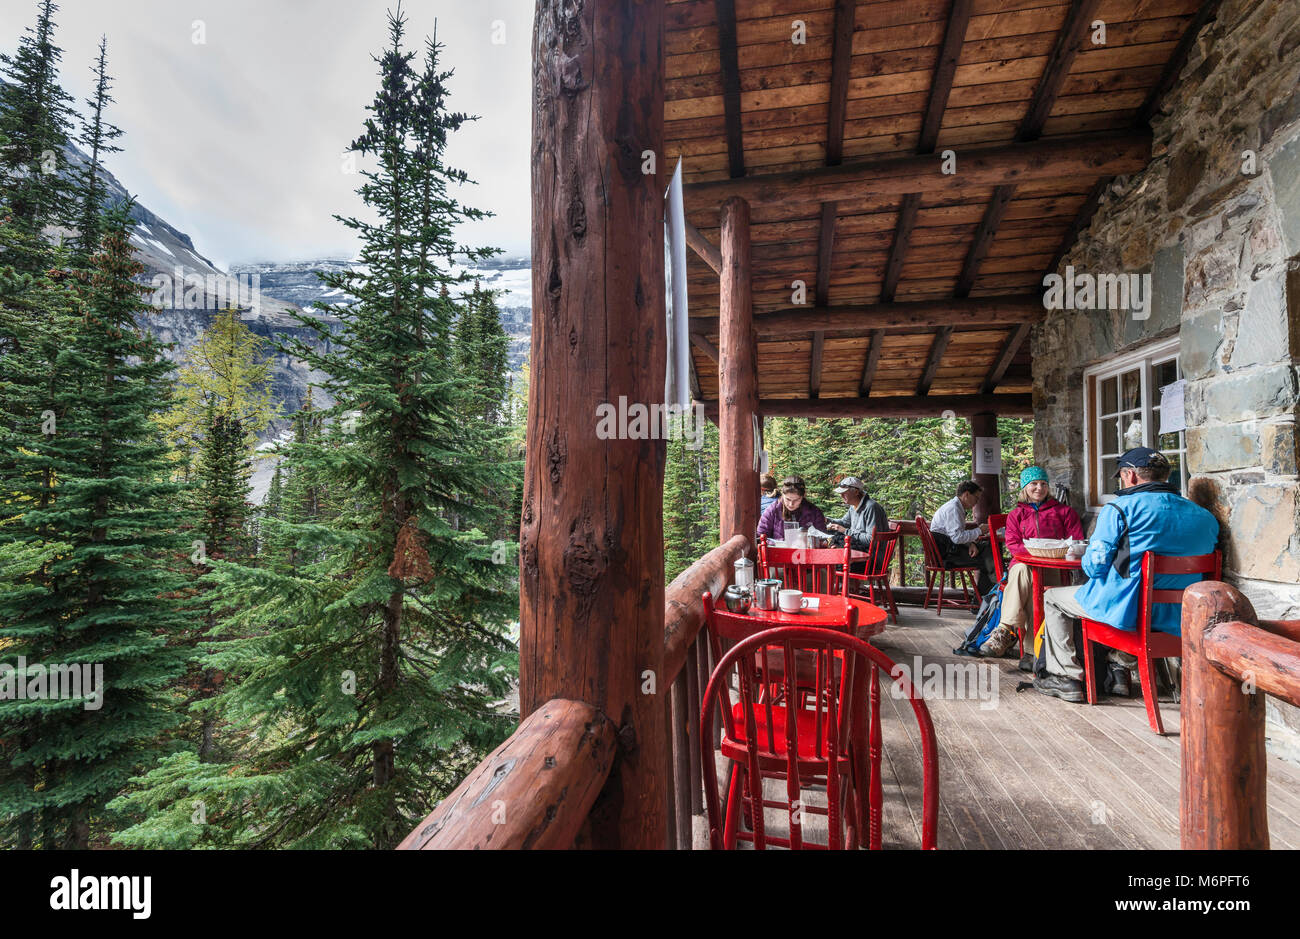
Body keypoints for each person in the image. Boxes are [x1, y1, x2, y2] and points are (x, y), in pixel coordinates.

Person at [1033, 447, 1219, 703]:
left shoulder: (1120, 509)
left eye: (1121, 475)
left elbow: (1095, 567)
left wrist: (1085, 557)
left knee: (1054, 597)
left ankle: (1066, 677)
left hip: (1130, 611)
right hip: (1183, 614)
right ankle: (1120, 662)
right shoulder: (1205, 517)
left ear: (1130, 476)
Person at [980, 466, 1084, 658]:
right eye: (1033, 484)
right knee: (1023, 572)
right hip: (1025, 565)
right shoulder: (1015, 515)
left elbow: (1076, 541)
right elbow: (1013, 545)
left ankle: (1009, 634)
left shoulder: (1064, 512)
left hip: (1054, 567)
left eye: (1043, 484)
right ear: (1025, 487)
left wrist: (1054, 553)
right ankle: (1028, 650)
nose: (1039, 488)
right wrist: (1035, 555)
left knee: (1028, 583)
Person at [929, 480, 996, 597]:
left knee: (987, 550)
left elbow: (954, 534)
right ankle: (984, 599)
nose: (977, 502)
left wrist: (970, 544)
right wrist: (980, 530)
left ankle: (984, 598)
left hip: (948, 549)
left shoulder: (955, 507)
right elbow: (957, 537)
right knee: (988, 559)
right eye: (976, 498)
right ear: (966, 495)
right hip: (945, 555)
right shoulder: (953, 509)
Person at [826, 476, 889, 575]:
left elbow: (872, 540)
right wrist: (827, 520)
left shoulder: (871, 508)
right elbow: (844, 523)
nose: (841, 495)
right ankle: (844, 588)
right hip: (859, 553)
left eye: (844, 492)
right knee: (832, 557)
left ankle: (843, 588)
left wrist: (846, 531)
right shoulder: (853, 506)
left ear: (856, 492)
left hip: (872, 559)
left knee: (835, 562)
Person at [756, 475, 828, 542]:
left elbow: (822, 538)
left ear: (803, 496)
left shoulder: (814, 512)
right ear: (782, 494)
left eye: (796, 500)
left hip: (806, 553)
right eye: (787, 499)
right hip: (778, 553)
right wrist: (778, 544)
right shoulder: (772, 510)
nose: (791, 504)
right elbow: (761, 536)